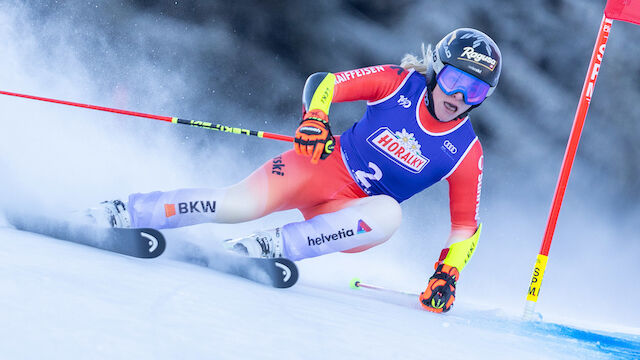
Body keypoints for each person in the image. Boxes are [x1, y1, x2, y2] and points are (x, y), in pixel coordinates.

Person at [90, 28, 502, 313]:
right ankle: (127, 212)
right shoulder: (399, 84)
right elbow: (325, 83)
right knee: (238, 204)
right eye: (453, 80)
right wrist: (315, 119)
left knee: (389, 216)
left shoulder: (465, 151)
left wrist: (447, 274)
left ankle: (270, 247)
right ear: (436, 72)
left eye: (476, 90)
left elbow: (466, 225)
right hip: (318, 165)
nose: (459, 96)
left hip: (351, 215)